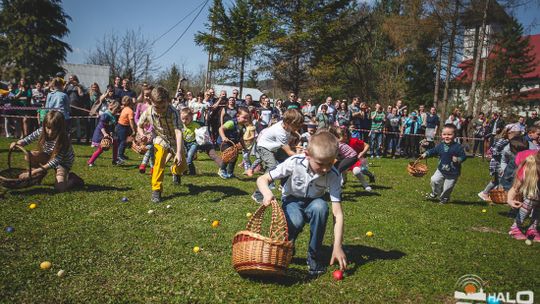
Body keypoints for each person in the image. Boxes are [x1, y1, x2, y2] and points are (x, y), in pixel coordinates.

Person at [255, 131, 347, 275]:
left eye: (330, 163)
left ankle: (314, 257)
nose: (325, 169)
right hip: (292, 200)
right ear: (307, 154)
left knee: (321, 208)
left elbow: (338, 213)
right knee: (295, 222)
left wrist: (337, 246)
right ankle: (287, 248)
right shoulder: (294, 162)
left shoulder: (333, 174)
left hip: (314, 201)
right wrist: (267, 193)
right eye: (321, 163)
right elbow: (262, 179)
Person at [11, 111, 83, 192]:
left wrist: (33, 172)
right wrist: (17, 143)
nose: (50, 132)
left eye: (54, 129)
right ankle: (40, 174)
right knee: (29, 155)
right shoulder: (41, 131)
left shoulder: (64, 139)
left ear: (60, 128)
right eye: (48, 128)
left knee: (60, 188)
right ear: (44, 125)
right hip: (48, 156)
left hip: (62, 163)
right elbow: (28, 139)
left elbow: (55, 162)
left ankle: (73, 179)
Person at [137, 86, 185, 203]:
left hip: (174, 139)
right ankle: (156, 190)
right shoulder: (148, 111)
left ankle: (175, 171)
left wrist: (178, 152)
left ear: (168, 101)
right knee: (159, 160)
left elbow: (178, 132)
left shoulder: (174, 112)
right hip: (160, 138)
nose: (160, 110)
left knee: (182, 164)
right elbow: (139, 125)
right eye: (156, 107)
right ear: (151, 102)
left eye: (163, 107)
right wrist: (142, 134)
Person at [250, 109, 304, 202]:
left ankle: (284, 187)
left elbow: (292, 133)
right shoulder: (280, 132)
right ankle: (258, 194)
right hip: (264, 147)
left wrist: (298, 136)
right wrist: (301, 155)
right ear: (288, 123)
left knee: (289, 163)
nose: (298, 128)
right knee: (272, 167)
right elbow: (290, 152)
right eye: (296, 126)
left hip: (274, 147)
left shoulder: (286, 126)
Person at [421, 124, 466, 204]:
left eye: (449, 134)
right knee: (434, 180)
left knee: (447, 188)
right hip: (441, 170)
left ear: (455, 135)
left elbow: (464, 156)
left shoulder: (458, 147)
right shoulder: (440, 145)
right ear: (441, 135)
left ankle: (444, 198)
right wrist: (426, 153)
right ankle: (435, 193)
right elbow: (433, 150)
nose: (446, 136)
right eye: (444, 134)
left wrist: (458, 159)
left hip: (453, 173)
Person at [506, 153, 540, 241]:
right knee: (532, 197)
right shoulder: (528, 168)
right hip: (519, 160)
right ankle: (515, 227)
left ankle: (533, 228)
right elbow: (515, 187)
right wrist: (509, 200)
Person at [218, 107, 251, 179]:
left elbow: (241, 138)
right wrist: (223, 137)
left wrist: (244, 147)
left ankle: (230, 173)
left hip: (234, 144)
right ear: (238, 116)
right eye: (244, 117)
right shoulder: (231, 123)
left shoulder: (242, 126)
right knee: (228, 156)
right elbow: (221, 129)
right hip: (226, 142)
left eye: (247, 118)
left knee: (234, 157)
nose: (246, 120)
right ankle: (222, 170)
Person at [87, 101, 121, 167]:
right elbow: (100, 125)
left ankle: (115, 160)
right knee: (101, 148)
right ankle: (90, 161)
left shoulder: (112, 116)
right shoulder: (106, 115)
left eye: (117, 111)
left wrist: (111, 132)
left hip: (107, 133)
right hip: (101, 133)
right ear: (111, 108)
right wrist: (105, 133)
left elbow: (110, 125)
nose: (116, 112)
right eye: (116, 110)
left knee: (115, 143)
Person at [115, 96, 136, 164]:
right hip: (123, 127)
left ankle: (121, 154)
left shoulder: (124, 108)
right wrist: (134, 130)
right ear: (130, 102)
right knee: (123, 142)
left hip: (119, 126)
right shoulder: (130, 111)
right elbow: (131, 121)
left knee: (121, 141)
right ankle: (120, 155)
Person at [181, 108, 200, 176]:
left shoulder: (195, 125)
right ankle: (191, 172)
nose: (184, 121)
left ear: (191, 118)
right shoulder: (180, 125)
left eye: (186, 119)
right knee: (186, 158)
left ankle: (186, 171)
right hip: (184, 144)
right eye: (183, 119)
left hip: (193, 144)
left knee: (189, 157)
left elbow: (201, 133)